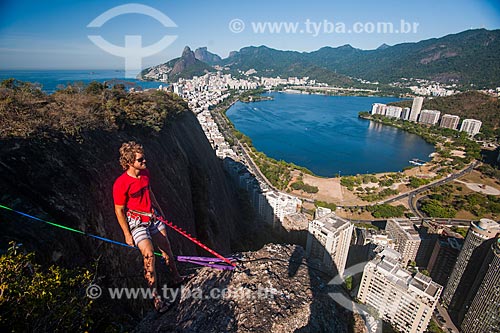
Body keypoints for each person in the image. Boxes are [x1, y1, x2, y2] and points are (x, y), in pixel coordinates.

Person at [113, 141, 184, 313]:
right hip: (136, 222)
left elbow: (149, 192)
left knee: (166, 248)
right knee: (149, 256)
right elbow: (119, 210)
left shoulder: (145, 174)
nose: (144, 162)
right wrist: (127, 234)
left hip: (152, 216)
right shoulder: (121, 184)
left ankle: (176, 277)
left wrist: (159, 209)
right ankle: (156, 299)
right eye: (140, 160)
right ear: (130, 162)